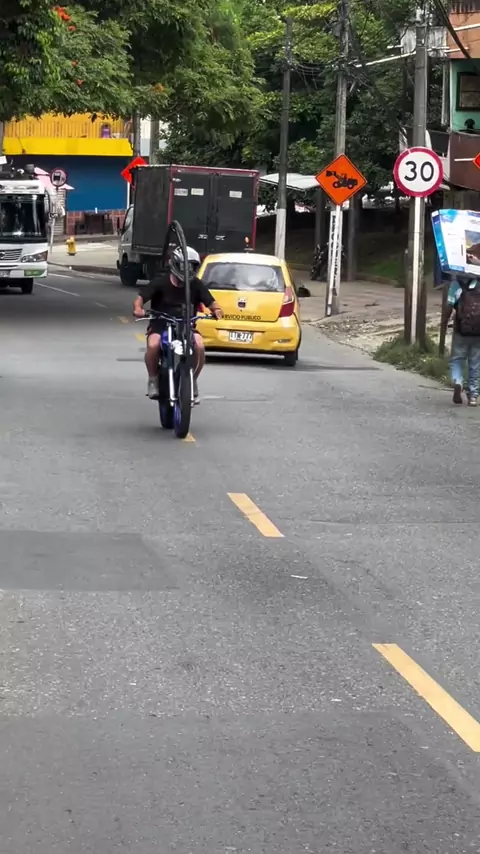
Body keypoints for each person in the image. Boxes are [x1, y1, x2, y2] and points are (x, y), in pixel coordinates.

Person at [132, 246, 223, 402]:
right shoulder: (160, 282)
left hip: (186, 325)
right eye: (184, 265)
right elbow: (140, 298)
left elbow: (211, 302)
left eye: (192, 266)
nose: (187, 270)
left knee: (199, 345)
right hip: (161, 324)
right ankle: (153, 379)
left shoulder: (195, 284)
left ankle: (192, 380)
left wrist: (217, 310)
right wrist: (138, 309)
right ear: (174, 264)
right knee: (153, 345)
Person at [443, 275, 480, 406]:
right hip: (478, 332)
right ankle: (473, 396)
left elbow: (449, 305)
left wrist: (444, 322)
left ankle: (458, 381)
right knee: (475, 363)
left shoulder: (456, 284)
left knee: (457, 359)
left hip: (461, 330)